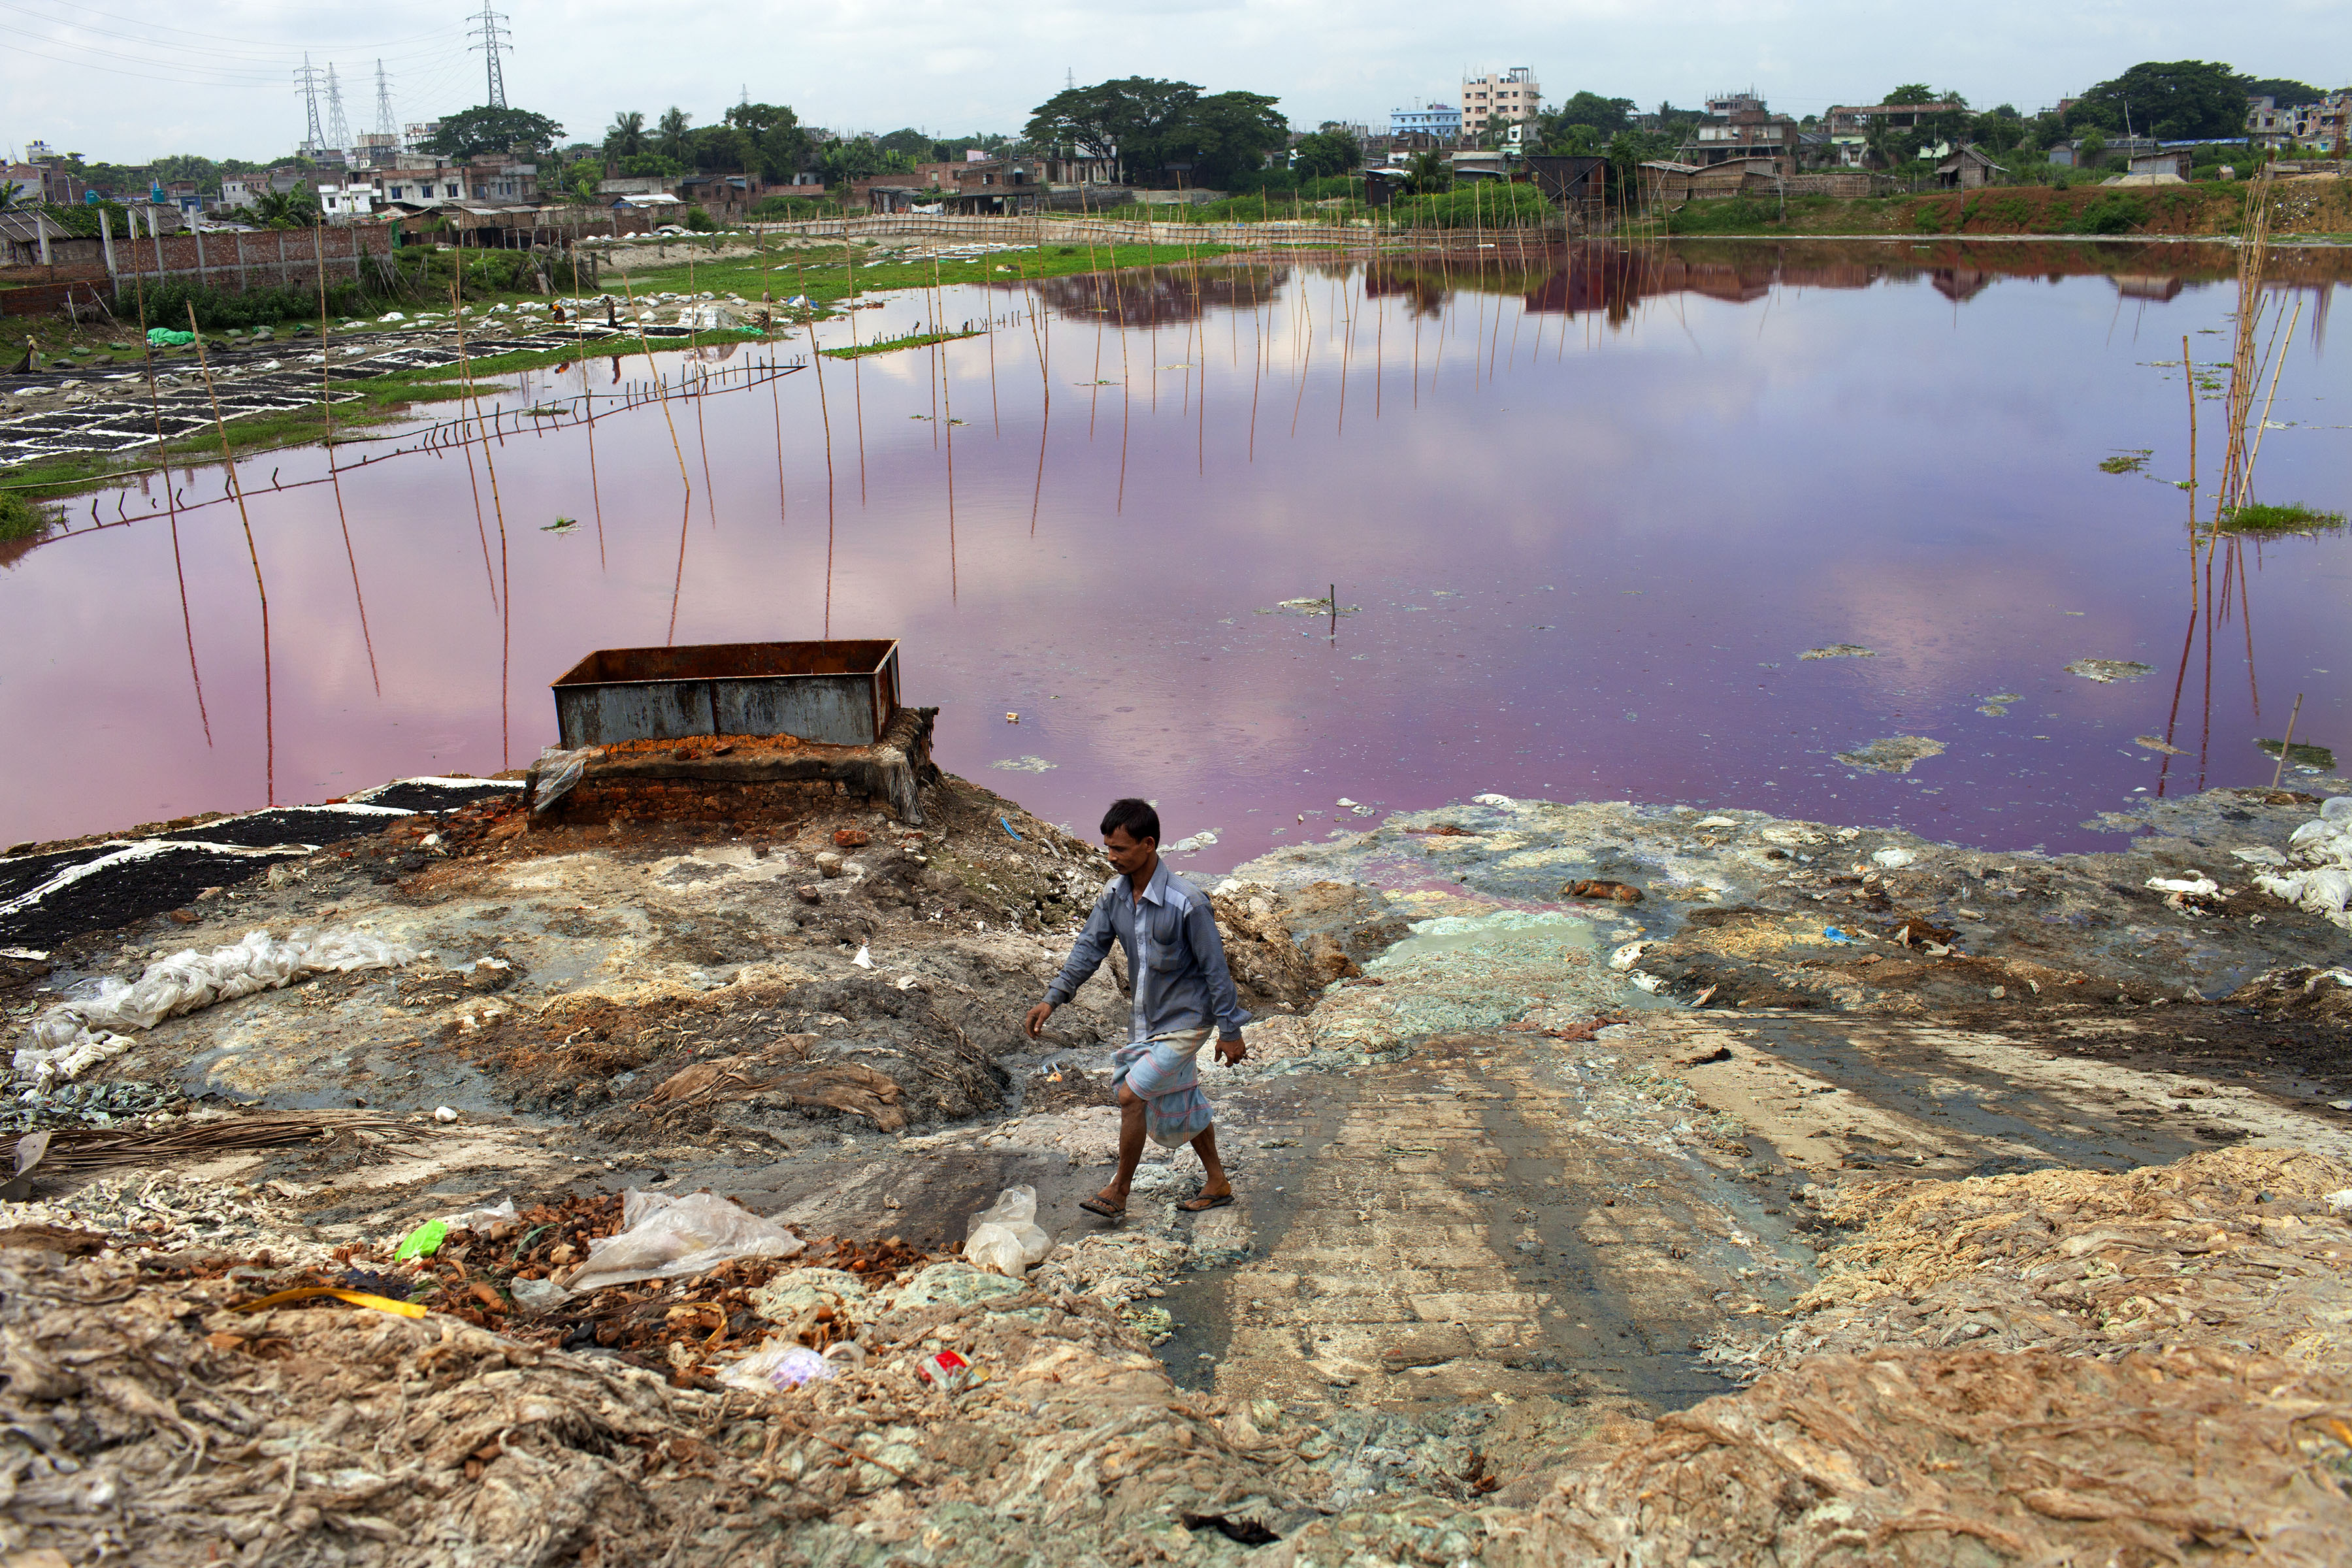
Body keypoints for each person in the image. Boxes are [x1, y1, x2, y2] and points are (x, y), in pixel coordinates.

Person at [1026, 798, 1249, 1220]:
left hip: (1187, 1022)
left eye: (1120, 849)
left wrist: (1230, 1030)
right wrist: (1052, 997)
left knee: (1131, 1095)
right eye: (1107, 848)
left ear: (1148, 845)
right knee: (1179, 1094)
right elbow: (1090, 948)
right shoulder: (1114, 895)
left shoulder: (1189, 903)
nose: (1111, 858)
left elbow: (1216, 970)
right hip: (1146, 1021)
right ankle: (1217, 1182)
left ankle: (1118, 1191)